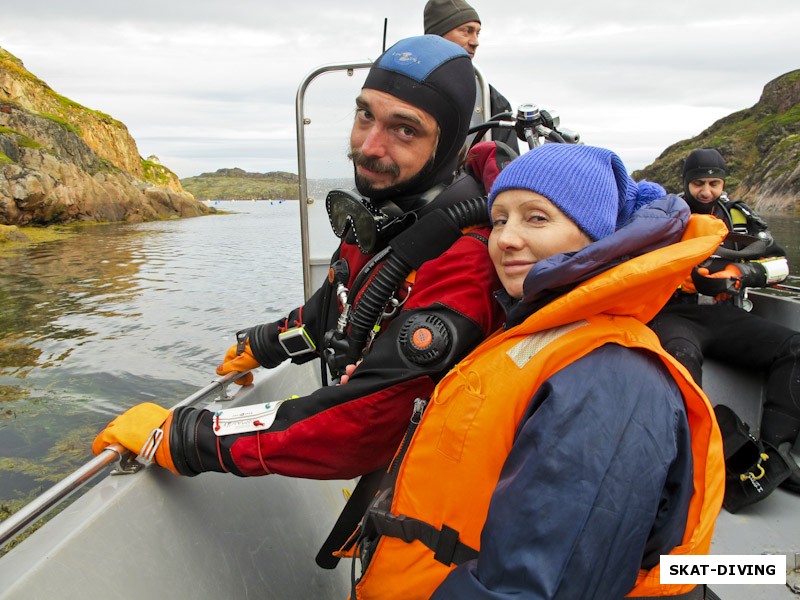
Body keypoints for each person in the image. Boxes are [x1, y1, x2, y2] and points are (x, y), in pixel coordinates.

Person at [92, 36, 503, 482]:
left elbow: (360, 426)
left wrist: (185, 436)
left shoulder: (468, 257)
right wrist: (264, 344)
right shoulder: (388, 210)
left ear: (449, 145)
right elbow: (335, 310)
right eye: (365, 115)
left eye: (405, 129)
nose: (370, 146)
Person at [336, 144, 725, 598]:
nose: (505, 239)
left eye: (536, 218)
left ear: (597, 237)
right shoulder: (537, 333)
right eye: (500, 219)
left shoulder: (608, 377)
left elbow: (537, 585)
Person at [648, 148, 800, 508]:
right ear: (686, 182)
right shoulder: (666, 215)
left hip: (724, 314)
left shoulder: (738, 216)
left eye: (714, 183)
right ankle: (689, 461)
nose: (706, 192)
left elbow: (780, 262)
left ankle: (776, 450)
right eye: (698, 183)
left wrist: (742, 272)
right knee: (680, 361)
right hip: (674, 315)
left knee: (794, 347)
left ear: (723, 183)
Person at [423, 0, 520, 153]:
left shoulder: (493, 101)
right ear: (437, 36)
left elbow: (504, 166)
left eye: (477, 33)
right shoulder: (399, 87)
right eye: (466, 31)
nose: (475, 42)